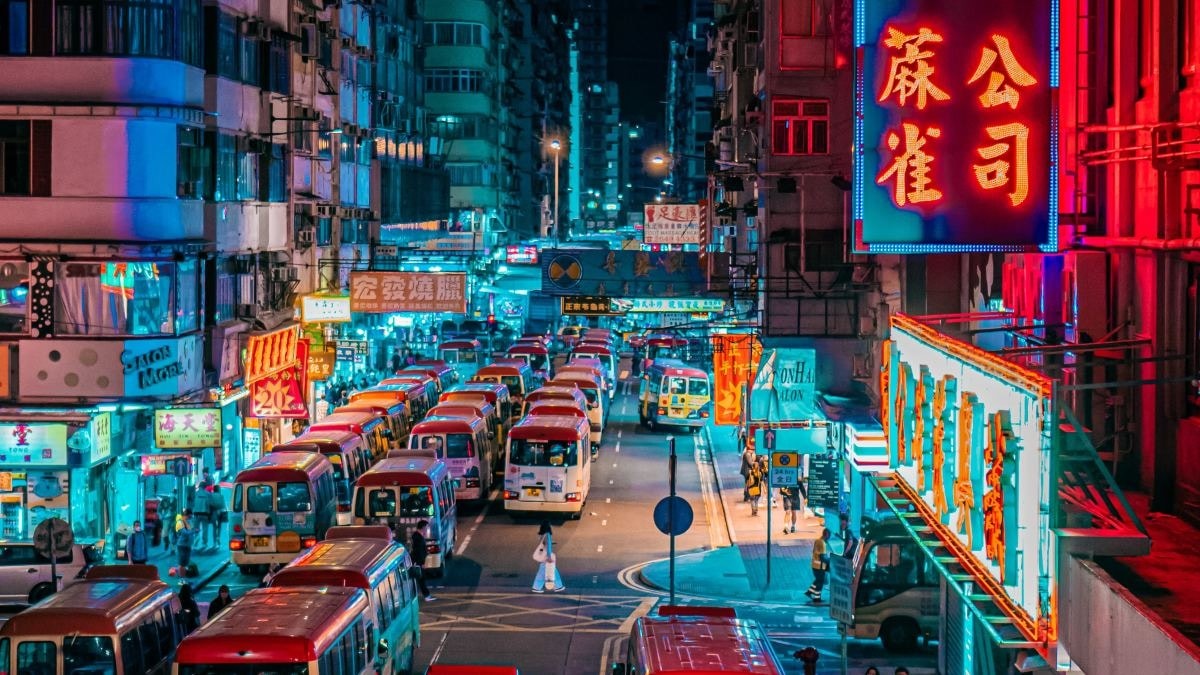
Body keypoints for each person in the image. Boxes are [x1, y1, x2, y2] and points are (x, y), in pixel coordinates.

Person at [531, 520, 564, 593]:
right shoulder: (548, 535)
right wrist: (549, 557)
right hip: (547, 556)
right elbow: (548, 546)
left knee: (544, 573)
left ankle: (537, 587)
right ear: (549, 527)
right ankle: (558, 586)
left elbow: (543, 544)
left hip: (544, 555)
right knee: (552, 571)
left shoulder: (542, 535)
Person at [409, 520, 435, 601]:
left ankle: (425, 595)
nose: (427, 529)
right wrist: (422, 563)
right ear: (423, 527)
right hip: (418, 562)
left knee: (419, 579)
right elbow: (418, 552)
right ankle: (426, 596)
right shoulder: (418, 538)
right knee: (421, 579)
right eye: (426, 527)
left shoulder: (417, 536)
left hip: (416, 562)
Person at [805, 528, 831, 601]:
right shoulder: (822, 543)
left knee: (818, 580)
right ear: (826, 535)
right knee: (820, 582)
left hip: (814, 565)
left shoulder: (817, 540)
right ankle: (817, 598)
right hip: (819, 566)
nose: (829, 538)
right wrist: (830, 561)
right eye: (829, 536)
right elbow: (823, 557)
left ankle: (809, 592)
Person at [192, 482, 212, 549]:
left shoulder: (195, 494)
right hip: (205, 514)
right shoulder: (208, 494)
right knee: (205, 529)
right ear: (204, 487)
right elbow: (210, 504)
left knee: (196, 528)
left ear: (199, 487)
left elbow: (192, 504)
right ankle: (204, 543)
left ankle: (196, 542)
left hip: (196, 514)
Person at [175, 509, 195, 576]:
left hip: (188, 545)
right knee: (182, 563)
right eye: (189, 516)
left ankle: (183, 577)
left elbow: (191, 530)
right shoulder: (179, 523)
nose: (190, 518)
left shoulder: (188, 522)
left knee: (185, 562)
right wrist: (193, 531)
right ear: (185, 515)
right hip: (182, 545)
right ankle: (181, 578)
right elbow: (184, 533)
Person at [209, 485, 228, 550]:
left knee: (214, 527)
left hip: (214, 512)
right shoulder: (221, 496)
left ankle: (214, 542)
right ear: (219, 489)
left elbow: (210, 504)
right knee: (219, 526)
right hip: (221, 512)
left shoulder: (211, 495)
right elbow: (224, 505)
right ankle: (218, 538)